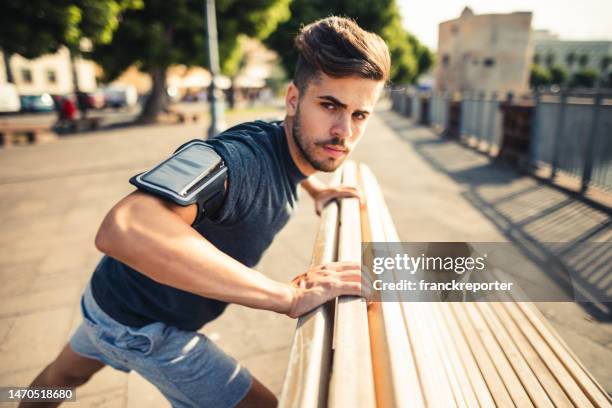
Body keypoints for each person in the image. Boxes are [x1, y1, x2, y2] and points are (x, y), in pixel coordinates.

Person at [22, 16, 390, 408]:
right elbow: (123, 228)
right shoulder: (237, 161)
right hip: (144, 327)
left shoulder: (286, 147)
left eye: (359, 115)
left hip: (104, 302)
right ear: (293, 99)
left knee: (63, 377)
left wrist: (316, 186)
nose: (344, 132)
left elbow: (287, 158)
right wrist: (287, 297)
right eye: (330, 105)